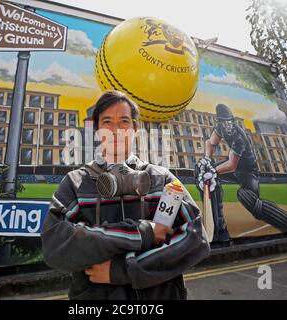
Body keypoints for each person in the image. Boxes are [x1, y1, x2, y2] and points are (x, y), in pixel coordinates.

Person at [41, 90, 210, 300]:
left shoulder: (161, 179)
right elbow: (56, 245)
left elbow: (195, 238)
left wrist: (124, 270)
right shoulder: (75, 183)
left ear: (135, 129)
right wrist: (141, 233)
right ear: (96, 130)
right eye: (107, 122)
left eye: (124, 121)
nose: (116, 131)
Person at [197, 103, 287, 235]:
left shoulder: (239, 137)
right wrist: (207, 159)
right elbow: (210, 143)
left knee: (249, 199)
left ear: (233, 121)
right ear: (220, 122)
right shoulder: (219, 127)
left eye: (229, 121)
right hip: (234, 169)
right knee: (203, 172)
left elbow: (231, 165)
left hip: (248, 171)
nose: (227, 125)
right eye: (224, 122)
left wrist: (212, 171)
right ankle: (218, 223)